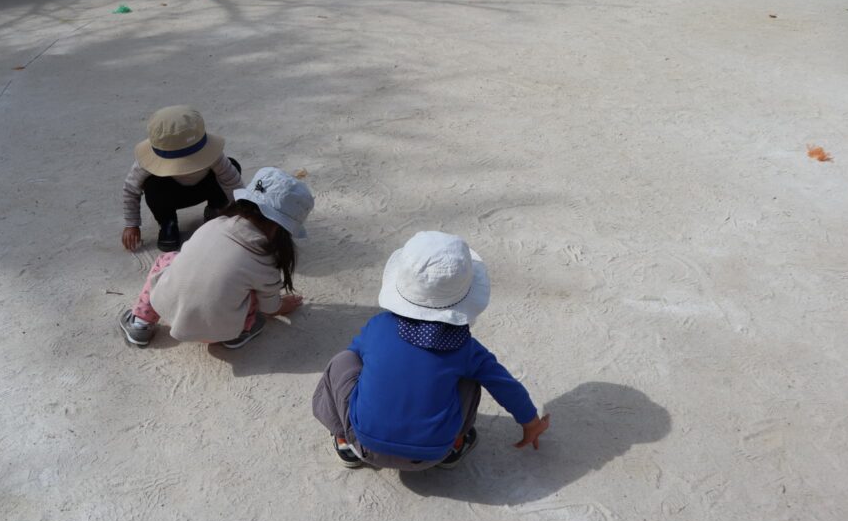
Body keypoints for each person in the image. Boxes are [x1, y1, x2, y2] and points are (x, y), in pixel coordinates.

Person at [312, 231, 550, 469]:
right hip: (435, 453)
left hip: (364, 444)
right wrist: (530, 422)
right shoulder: (466, 348)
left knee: (345, 360)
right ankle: (457, 443)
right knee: (472, 377)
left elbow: (356, 359)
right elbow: (504, 385)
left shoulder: (377, 326)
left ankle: (344, 440)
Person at [118, 167, 314, 349]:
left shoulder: (215, 224)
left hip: (165, 307)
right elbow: (270, 308)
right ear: (282, 228)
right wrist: (281, 306)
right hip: (218, 332)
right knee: (249, 289)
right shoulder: (265, 262)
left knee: (169, 259)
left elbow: (190, 260)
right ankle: (239, 334)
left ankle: (140, 323)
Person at [122, 106, 243, 253]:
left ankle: (216, 207)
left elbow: (232, 181)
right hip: (171, 196)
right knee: (152, 185)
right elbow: (131, 189)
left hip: (205, 189)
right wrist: (132, 224)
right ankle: (168, 222)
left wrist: (242, 211)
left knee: (232, 167)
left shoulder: (213, 155)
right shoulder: (146, 163)